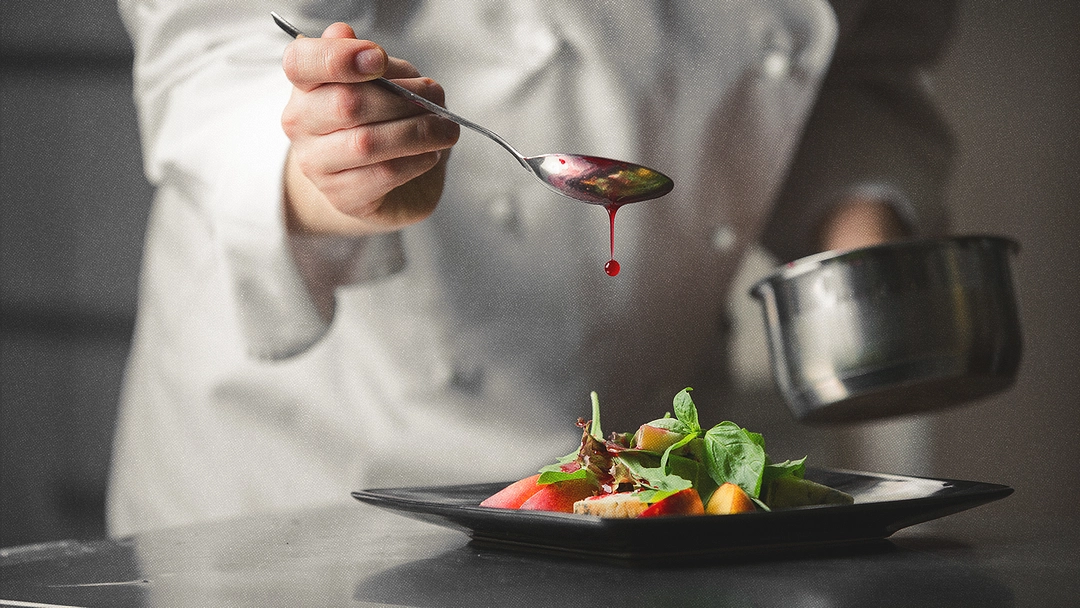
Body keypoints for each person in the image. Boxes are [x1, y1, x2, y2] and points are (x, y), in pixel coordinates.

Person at [108, 0, 955, 537]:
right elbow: (217, 51)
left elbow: (855, 57)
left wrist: (863, 243)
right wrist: (335, 163)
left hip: (651, 467)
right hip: (317, 461)